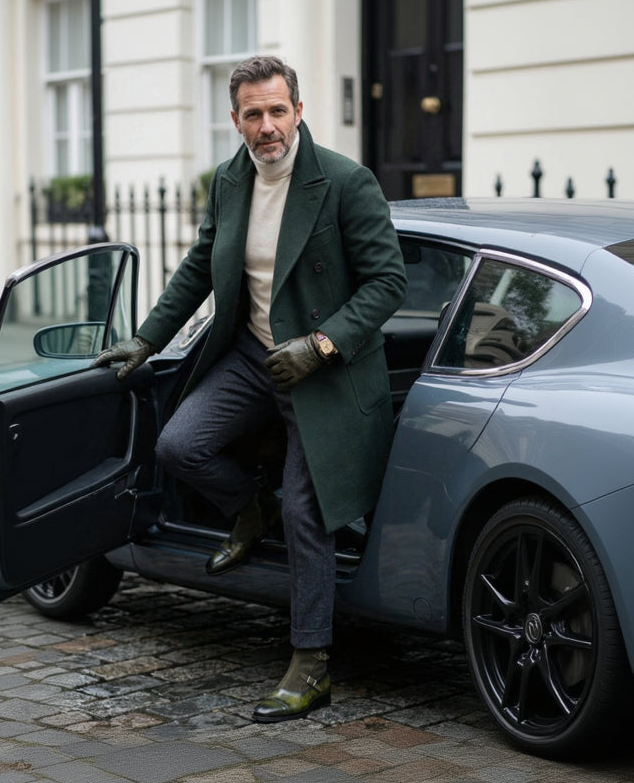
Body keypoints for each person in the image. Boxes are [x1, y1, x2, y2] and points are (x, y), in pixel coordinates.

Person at [94, 55, 406, 722]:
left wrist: (321, 345)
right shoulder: (230, 179)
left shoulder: (346, 183)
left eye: (277, 110)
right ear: (234, 119)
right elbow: (202, 264)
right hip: (251, 354)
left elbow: (388, 285)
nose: (268, 126)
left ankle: (310, 662)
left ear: (299, 110)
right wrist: (148, 337)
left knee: (307, 513)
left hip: (327, 372)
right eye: (253, 114)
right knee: (180, 445)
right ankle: (248, 508)